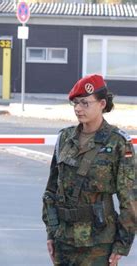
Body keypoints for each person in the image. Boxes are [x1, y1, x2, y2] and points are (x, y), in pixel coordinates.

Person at [42, 74, 136, 266]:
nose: (78, 108)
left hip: (99, 243)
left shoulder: (118, 143)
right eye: (75, 103)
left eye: (85, 103)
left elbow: (130, 199)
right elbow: (52, 190)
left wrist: (121, 244)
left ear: (102, 104)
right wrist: (51, 232)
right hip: (64, 240)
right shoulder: (65, 138)